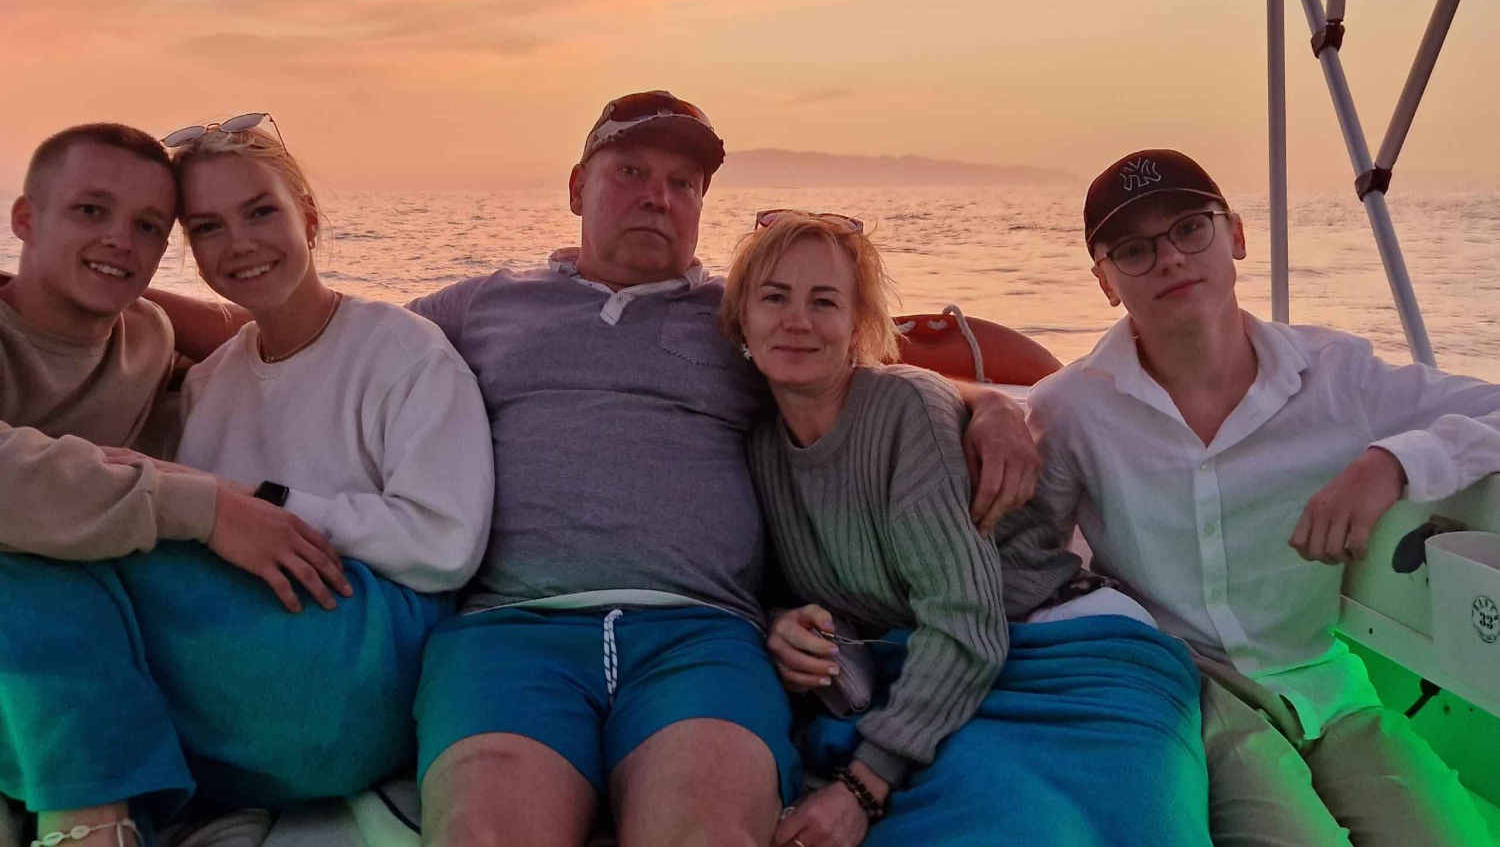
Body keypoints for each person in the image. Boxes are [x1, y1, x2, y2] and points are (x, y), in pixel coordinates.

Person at [146, 91, 1044, 847]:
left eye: (682, 183)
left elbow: (860, 367)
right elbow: (317, 326)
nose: (657, 196)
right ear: (578, 187)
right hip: (508, 632)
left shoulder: (743, 317)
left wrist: (990, 404)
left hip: (701, 630)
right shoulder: (479, 307)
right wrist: (133, 309)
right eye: (632, 172)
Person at [0, 119, 495, 847]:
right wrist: (206, 505)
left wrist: (255, 504)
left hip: (362, 655)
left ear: (310, 216)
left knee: (35, 553)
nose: (238, 244)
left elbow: (443, 543)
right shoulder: (207, 378)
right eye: (207, 227)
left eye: (261, 212)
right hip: (249, 666)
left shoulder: (404, 351)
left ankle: (91, 822)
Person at [1025, 148, 1499, 846]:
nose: (1169, 258)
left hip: (1328, 682)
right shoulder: (1070, 409)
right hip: (1192, 689)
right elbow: (1027, 558)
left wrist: (1393, 461)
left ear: (1237, 235)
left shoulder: (1338, 377)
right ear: (1105, 281)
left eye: (1191, 228)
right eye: (1133, 249)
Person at [721, 211, 1211, 847]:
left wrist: (863, 786)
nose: (797, 321)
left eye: (824, 302)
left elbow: (966, 619)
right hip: (943, 669)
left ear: (857, 326)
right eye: (774, 297)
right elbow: (778, 585)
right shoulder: (758, 446)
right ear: (742, 318)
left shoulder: (905, 411)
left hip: (1072, 652)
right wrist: (784, 622)